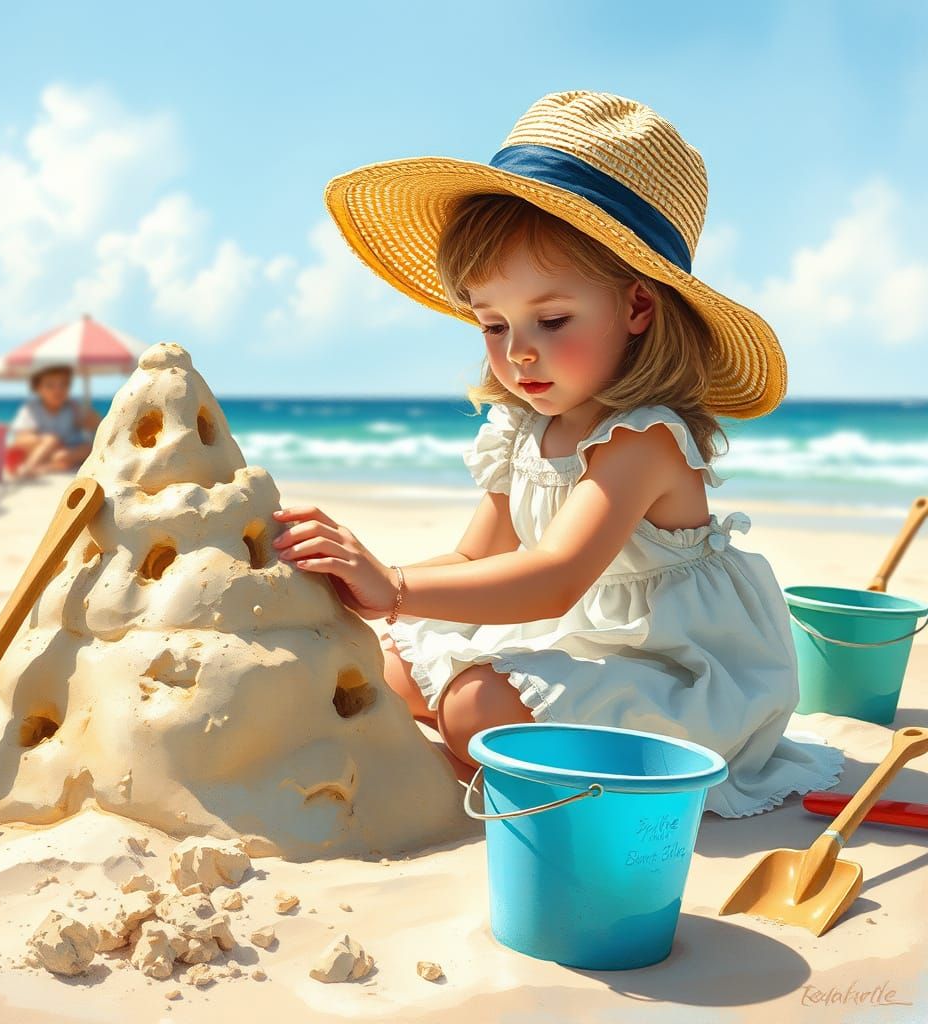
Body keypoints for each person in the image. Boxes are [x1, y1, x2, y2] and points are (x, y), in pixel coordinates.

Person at [273, 90, 844, 816]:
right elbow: (480, 558)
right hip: (576, 644)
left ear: (637, 307)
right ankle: (505, 758)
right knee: (382, 666)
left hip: (672, 674)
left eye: (550, 318)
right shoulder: (521, 429)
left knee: (473, 701)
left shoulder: (644, 439)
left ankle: (547, 772)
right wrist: (370, 584)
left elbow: (555, 576)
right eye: (491, 324)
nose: (518, 352)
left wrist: (397, 586)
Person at [9, 365, 101, 478]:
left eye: (64, 385)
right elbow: (20, 438)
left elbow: (95, 425)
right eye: (50, 386)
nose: (58, 390)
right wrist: (44, 440)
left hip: (68, 450)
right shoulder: (32, 409)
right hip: (41, 449)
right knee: (51, 440)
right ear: (38, 389)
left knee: (87, 449)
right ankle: (30, 468)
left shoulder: (72, 407)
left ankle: (48, 466)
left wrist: (92, 418)